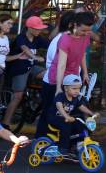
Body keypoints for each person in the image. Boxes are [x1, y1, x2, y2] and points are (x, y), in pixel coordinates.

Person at [36, 11, 93, 139]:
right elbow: (61, 65)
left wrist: (85, 72)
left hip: (72, 80)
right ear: (74, 25)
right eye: (83, 30)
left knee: (74, 110)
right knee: (50, 112)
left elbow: (82, 54)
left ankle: (73, 142)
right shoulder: (64, 39)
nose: (86, 33)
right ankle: (40, 141)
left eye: (88, 31)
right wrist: (58, 88)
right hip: (55, 79)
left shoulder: (85, 36)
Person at [2, 15, 47, 127]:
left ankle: (37, 98)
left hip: (31, 67)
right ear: (29, 28)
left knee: (49, 75)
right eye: (37, 28)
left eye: (40, 28)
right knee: (18, 96)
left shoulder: (38, 38)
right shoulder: (21, 37)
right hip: (19, 69)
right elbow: (24, 48)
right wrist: (34, 57)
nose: (39, 31)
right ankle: (5, 123)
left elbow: (51, 44)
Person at [45, 74, 96, 158]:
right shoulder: (60, 96)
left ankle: (77, 144)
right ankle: (62, 148)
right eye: (74, 88)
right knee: (66, 126)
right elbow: (59, 106)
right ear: (66, 88)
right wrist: (66, 116)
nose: (77, 91)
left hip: (65, 119)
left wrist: (92, 113)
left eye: (78, 88)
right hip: (54, 118)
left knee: (80, 123)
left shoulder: (75, 98)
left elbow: (81, 106)